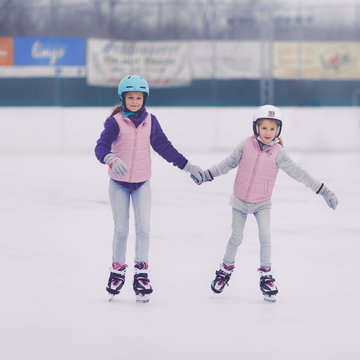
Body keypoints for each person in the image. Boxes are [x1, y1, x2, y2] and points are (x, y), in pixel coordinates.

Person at [192, 105, 338, 302]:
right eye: (264, 128)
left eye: (272, 128)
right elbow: (227, 163)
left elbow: (299, 173)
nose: (268, 132)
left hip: (262, 203)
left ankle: (266, 275)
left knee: (265, 237)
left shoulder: (278, 152)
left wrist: (323, 190)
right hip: (240, 200)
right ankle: (225, 270)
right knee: (235, 237)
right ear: (256, 128)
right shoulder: (245, 145)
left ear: (278, 130)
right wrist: (207, 175)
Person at [95, 74, 203, 303]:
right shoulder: (114, 122)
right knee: (122, 230)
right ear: (123, 98)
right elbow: (101, 146)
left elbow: (164, 147)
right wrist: (110, 158)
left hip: (142, 182)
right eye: (131, 97)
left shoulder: (151, 121)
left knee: (143, 228)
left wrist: (188, 166)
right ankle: (117, 271)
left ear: (145, 99)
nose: (135, 101)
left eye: (139, 97)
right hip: (118, 184)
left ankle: (141, 273)